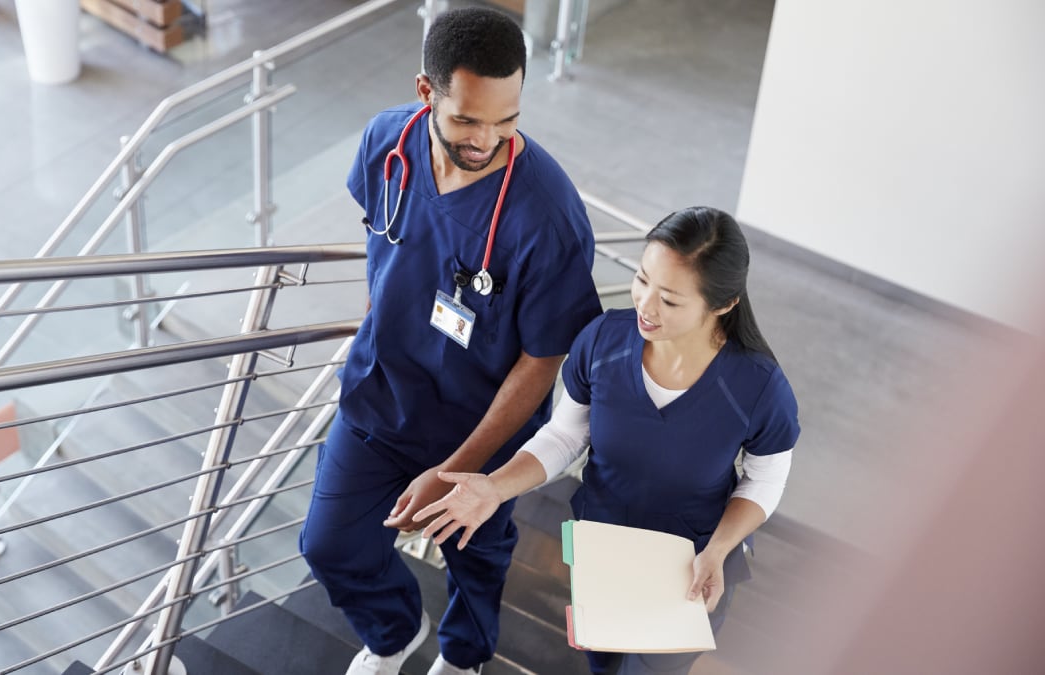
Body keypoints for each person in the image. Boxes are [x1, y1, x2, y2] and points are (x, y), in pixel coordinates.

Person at [299, 7, 602, 675]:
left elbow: (544, 357)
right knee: (329, 546)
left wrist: (458, 468)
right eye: (467, 119)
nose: (486, 138)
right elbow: (383, 241)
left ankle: (463, 657)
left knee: (478, 558)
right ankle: (396, 631)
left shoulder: (545, 215)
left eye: (507, 118)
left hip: (483, 434)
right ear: (425, 91)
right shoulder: (388, 143)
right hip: (379, 400)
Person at [413, 207, 800, 675]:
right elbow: (565, 433)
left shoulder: (758, 388)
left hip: (692, 563)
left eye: (672, 301)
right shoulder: (603, 340)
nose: (646, 306)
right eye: (642, 280)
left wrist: (718, 549)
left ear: (723, 304)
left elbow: (764, 478)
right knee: (602, 661)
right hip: (604, 544)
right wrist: (496, 487)